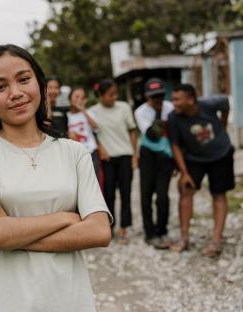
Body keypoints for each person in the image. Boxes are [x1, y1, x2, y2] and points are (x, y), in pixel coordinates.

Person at [0, 44, 112, 312]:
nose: (15, 93)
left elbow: (99, 231)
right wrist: (65, 218)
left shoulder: (74, 152)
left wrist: (10, 228)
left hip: (68, 299)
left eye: (24, 79)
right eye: (0, 87)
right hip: (4, 301)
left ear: (41, 86)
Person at [168, 84, 234, 257]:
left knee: (219, 194)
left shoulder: (210, 104)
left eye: (177, 99)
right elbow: (174, 145)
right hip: (194, 158)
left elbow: (226, 102)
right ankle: (184, 238)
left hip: (221, 154)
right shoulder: (173, 117)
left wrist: (223, 125)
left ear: (190, 100)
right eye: (172, 99)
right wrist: (185, 173)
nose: (173, 103)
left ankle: (216, 240)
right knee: (186, 190)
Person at [89, 79, 138, 244]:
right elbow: (90, 134)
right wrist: (99, 147)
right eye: (110, 95)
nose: (114, 97)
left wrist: (134, 155)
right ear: (101, 96)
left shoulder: (124, 107)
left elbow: (132, 131)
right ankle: (109, 227)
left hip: (125, 155)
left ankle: (124, 227)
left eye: (115, 94)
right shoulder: (92, 112)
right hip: (107, 159)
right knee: (108, 195)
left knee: (126, 193)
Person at [134, 78, 174, 249]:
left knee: (163, 195)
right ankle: (149, 233)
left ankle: (162, 230)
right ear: (146, 96)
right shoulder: (141, 112)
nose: (157, 100)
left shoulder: (170, 107)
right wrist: (158, 113)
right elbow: (152, 134)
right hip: (148, 155)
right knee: (146, 195)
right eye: (153, 97)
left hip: (166, 156)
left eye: (160, 96)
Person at [67, 86, 99, 175]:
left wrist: (83, 110)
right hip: (75, 155)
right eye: (76, 97)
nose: (79, 100)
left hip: (91, 152)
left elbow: (95, 127)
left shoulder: (89, 112)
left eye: (82, 97)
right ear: (70, 99)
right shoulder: (67, 116)